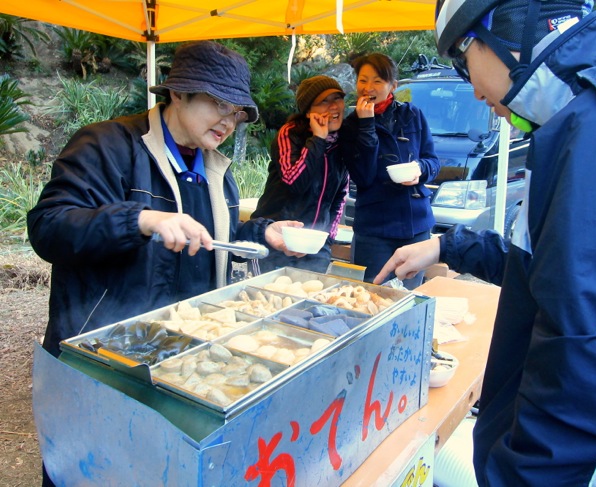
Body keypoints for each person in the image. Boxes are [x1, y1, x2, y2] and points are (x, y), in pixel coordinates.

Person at [375, 0, 596, 485]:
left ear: (505, 31)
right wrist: (447, 248)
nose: (472, 87)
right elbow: (558, 266)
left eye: (462, 56)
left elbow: (585, 362)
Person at [27, 41, 302, 485]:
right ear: (177, 93)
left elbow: (211, 241)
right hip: (104, 360)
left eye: (237, 113)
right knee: (91, 471)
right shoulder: (107, 145)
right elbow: (49, 226)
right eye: (218, 104)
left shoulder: (215, 168)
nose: (228, 122)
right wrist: (140, 219)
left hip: (181, 363)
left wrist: (260, 233)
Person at [339, 52, 440, 289]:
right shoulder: (350, 126)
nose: (368, 87)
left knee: (409, 297)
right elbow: (362, 177)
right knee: (373, 295)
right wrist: (366, 125)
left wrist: (419, 169)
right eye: (362, 80)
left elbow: (433, 162)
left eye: (377, 81)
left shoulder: (412, 115)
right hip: (375, 229)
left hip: (416, 224)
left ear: (392, 85)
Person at [250, 75, 349, 274]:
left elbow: (341, 194)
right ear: (308, 111)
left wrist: (328, 237)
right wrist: (318, 139)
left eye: (337, 98)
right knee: (271, 300)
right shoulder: (290, 133)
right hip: (278, 238)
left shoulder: (343, 143)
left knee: (311, 301)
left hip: (315, 245)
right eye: (324, 101)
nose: (333, 107)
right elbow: (293, 181)